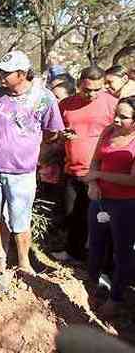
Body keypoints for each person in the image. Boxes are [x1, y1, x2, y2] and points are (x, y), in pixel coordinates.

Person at [0, 50, 65, 274]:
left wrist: (34, 155)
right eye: (0, 71)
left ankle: (24, 262)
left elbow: (52, 133)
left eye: (6, 73)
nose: (1, 76)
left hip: (22, 171)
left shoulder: (43, 98)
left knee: (20, 218)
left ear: (22, 73)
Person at [50, 66, 118, 262]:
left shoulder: (113, 105)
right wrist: (61, 135)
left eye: (97, 89)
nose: (92, 94)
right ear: (79, 84)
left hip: (100, 173)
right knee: (73, 215)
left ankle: (102, 261)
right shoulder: (66, 105)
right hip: (72, 169)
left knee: (99, 218)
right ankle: (73, 253)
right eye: (87, 89)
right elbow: (54, 133)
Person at [82, 96, 135, 317]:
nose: (116, 119)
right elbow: (95, 160)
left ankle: (116, 298)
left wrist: (98, 175)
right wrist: (93, 184)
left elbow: (133, 180)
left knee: (122, 252)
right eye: (116, 113)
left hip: (126, 205)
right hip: (100, 199)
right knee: (95, 244)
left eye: (123, 117)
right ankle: (91, 284)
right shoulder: (108, 131)